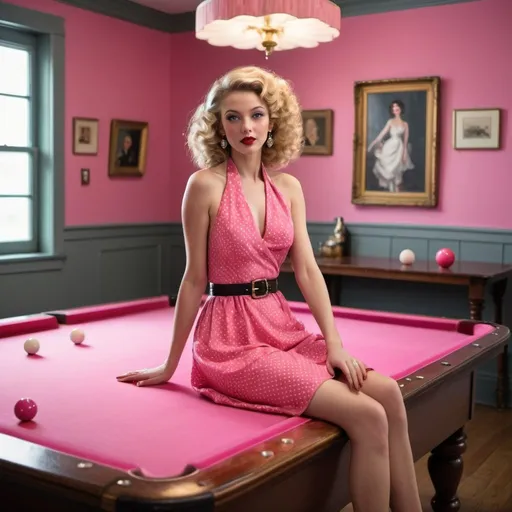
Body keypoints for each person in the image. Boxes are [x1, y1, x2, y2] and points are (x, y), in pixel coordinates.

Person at [116, 66, 422, 512]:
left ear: (272, 121)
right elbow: (193, 280)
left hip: (280, 324)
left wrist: (334, 345)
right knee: (367, 414)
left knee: (389, 394)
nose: (246, 127)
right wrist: (170, 363)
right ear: (218, 125)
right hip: (229, 340)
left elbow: (307, 269)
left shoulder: (289, 187)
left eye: (256, 115)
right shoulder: (203, 185)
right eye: (233, 117)